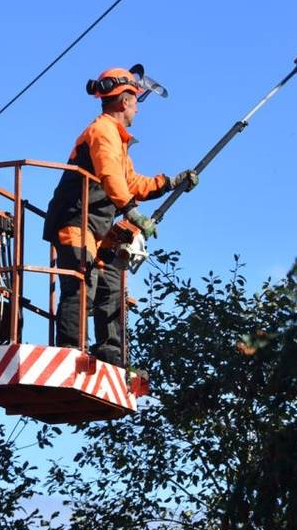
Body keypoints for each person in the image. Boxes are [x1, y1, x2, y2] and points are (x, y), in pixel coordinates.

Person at [43, 67, 197, 365]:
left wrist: (170, 182)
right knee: (81, 281)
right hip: (76, 220)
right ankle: (70, 351)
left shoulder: (117, 139)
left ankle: (111, 352)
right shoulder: (102, 131)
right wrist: (132, 213)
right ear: (125, 101)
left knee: (111, 279)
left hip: (96, 226)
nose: (138, 108)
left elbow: (131, 183)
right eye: (136, 101)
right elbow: (111, 176)